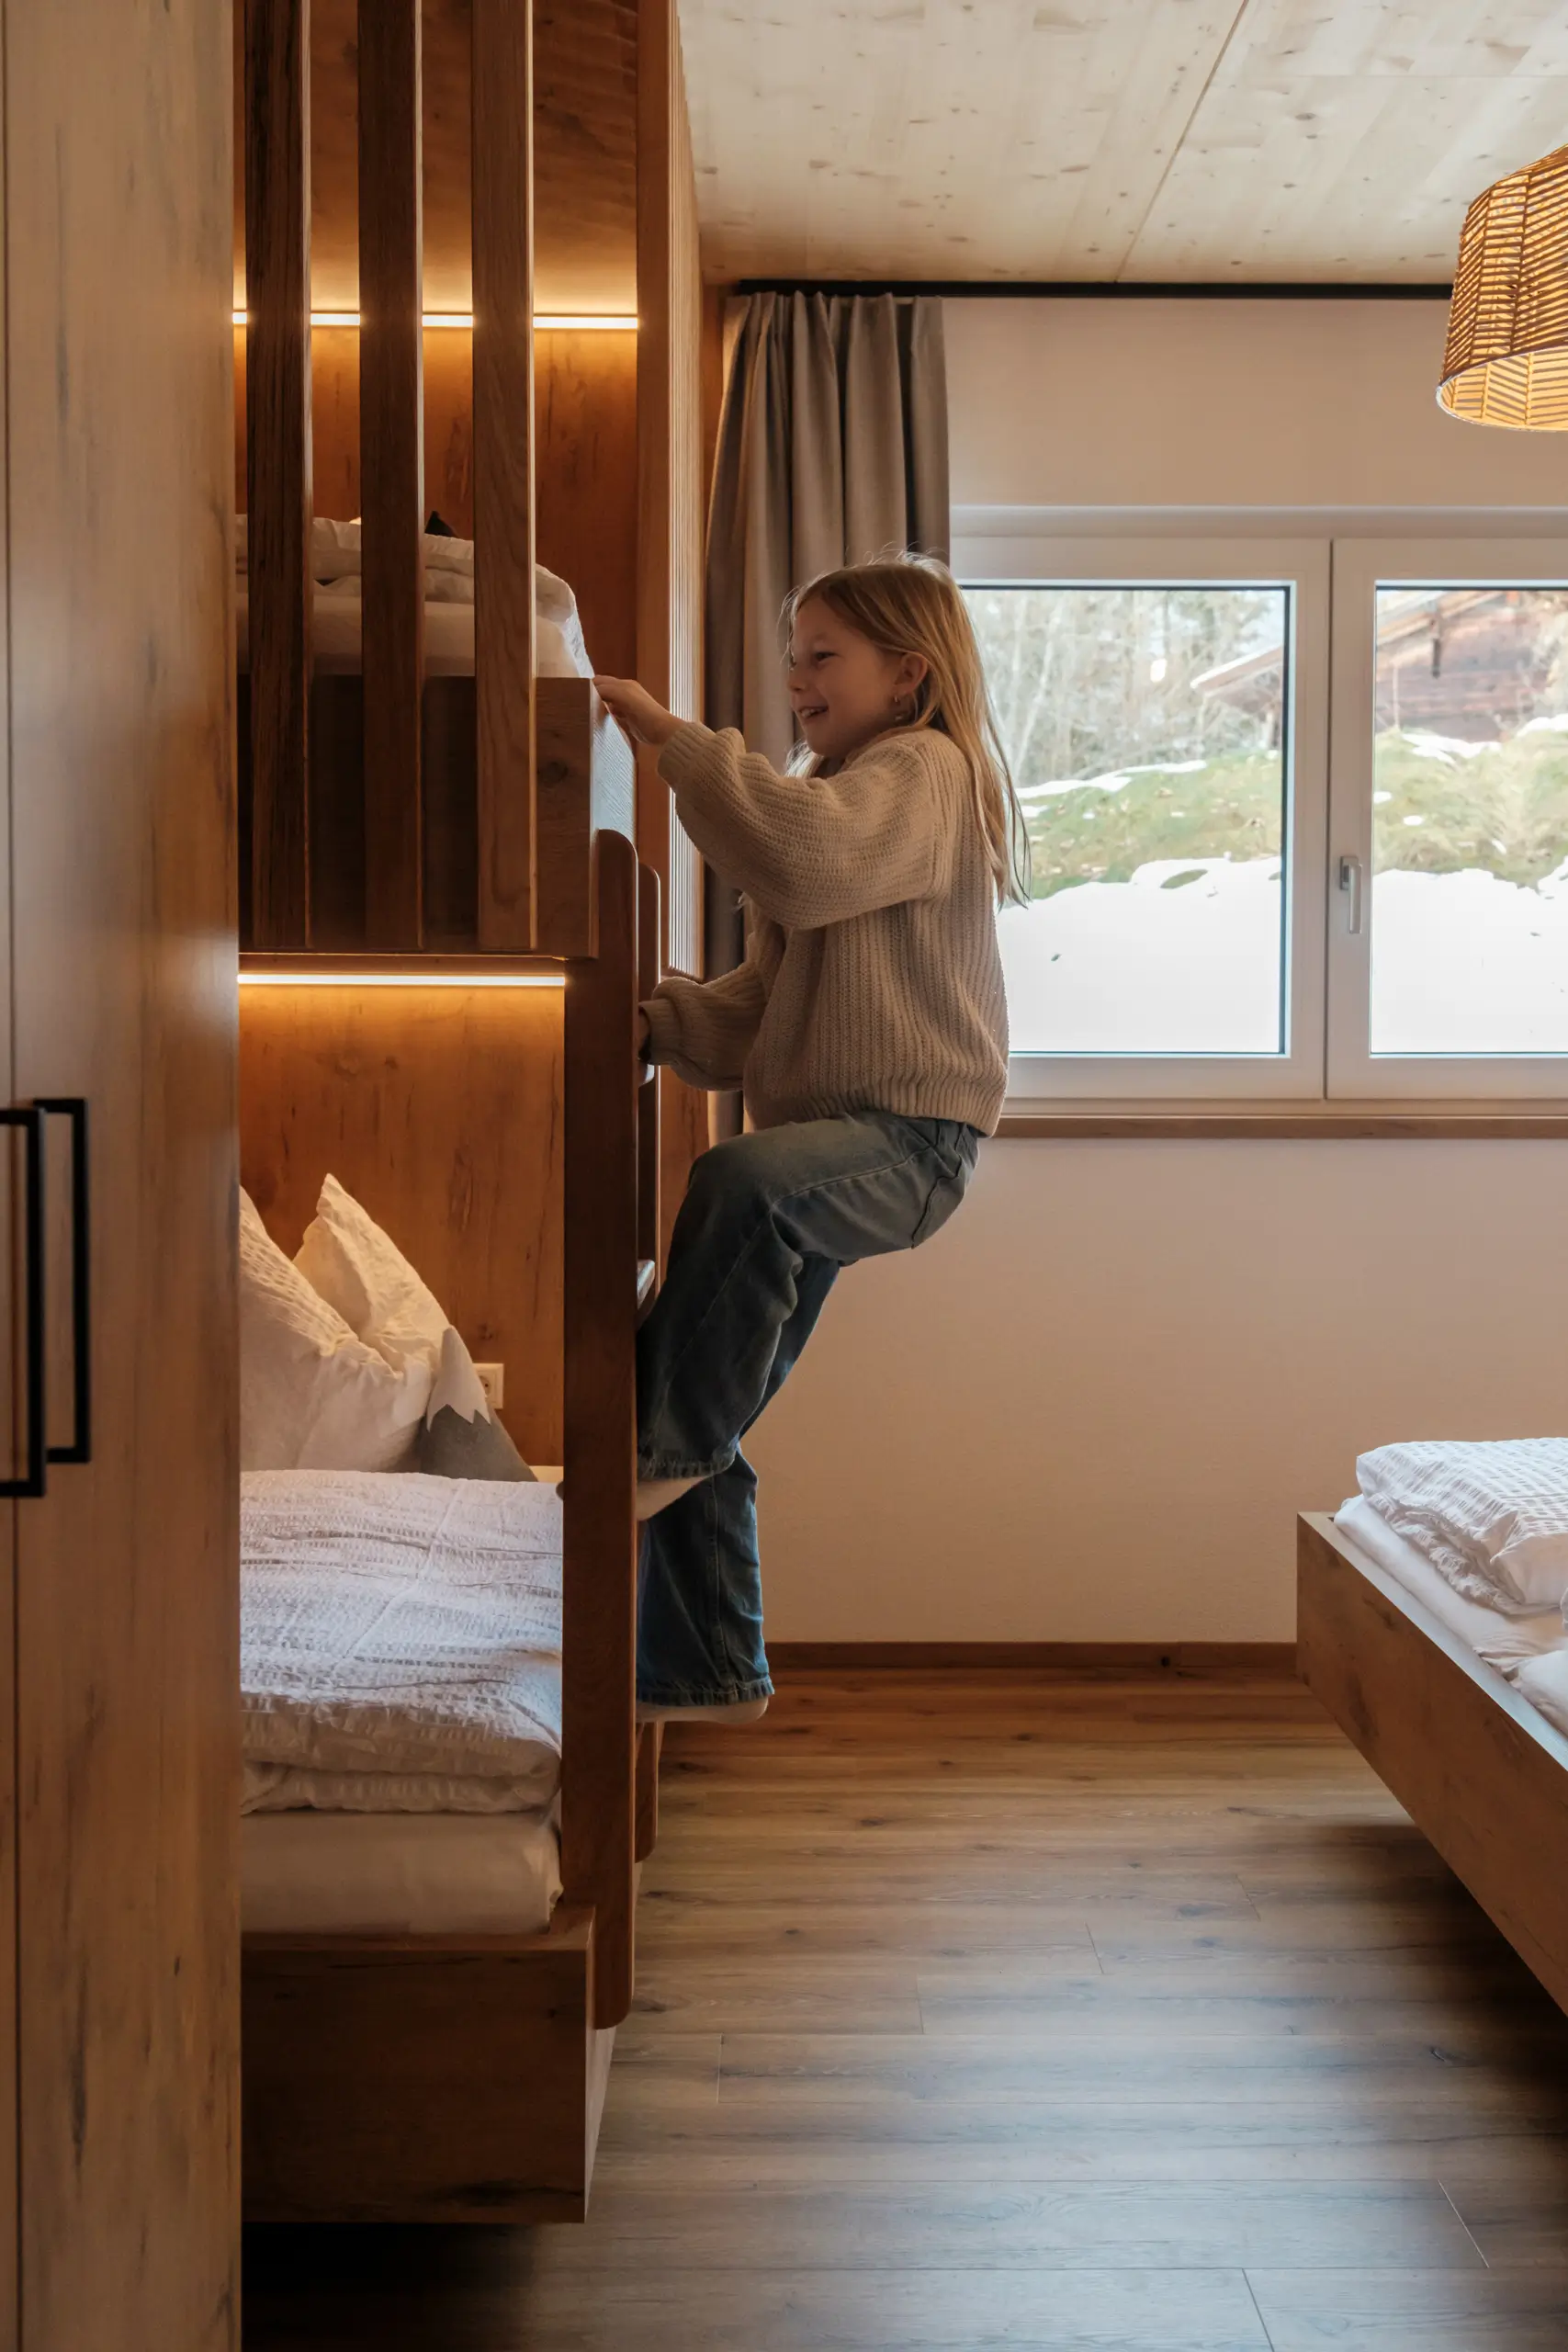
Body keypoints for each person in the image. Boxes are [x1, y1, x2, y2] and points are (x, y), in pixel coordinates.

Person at [592, 554, 1028, 1723]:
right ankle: (700, 1667)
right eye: (794, 655)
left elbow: (802, 854)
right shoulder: (848, 789)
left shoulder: (923, 771)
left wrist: (673, 742)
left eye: (821, 654)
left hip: (910, 1136)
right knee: (688, 1392)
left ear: (908, 673)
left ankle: (646, 1467)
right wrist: (645, 1025)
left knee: (733, 1187)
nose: (796, 678)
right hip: (837, 1146)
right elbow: (759, 1010)